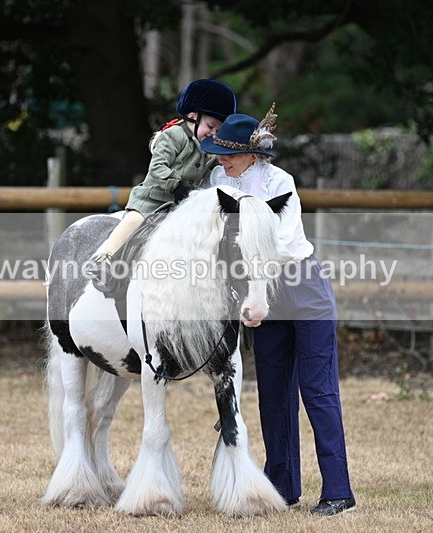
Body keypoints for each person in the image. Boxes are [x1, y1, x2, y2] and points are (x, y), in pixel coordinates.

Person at [202, 104, 356, 516]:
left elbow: (283, 247)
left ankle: (339, 493)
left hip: (301, 290)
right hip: (259, 291)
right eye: (219, 152)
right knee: (272, 394)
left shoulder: (279, 182)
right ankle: (282, 486)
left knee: (318, 392)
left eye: (229, 153)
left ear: (253, 154)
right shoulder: (220, 179)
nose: (222, 160)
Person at [85, 78, 237, 290]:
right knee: (134, 221)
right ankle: (103, 257)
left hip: (182, 204)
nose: (213, 133)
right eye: (210, 126)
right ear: (193, 116)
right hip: (153, 198)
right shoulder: (173, 136)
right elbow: (157, 167)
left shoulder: (207, 149)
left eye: (218, 130)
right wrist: (176, 186)